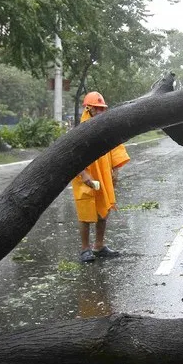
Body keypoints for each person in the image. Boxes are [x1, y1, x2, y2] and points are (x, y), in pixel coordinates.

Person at [72, 91, 130, 263]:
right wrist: (84, 174)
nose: (99, 112)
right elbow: (73, 157)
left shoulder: (107, 129)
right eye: (96, 108)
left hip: (103, 176)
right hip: (85, 177)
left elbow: (116, 151)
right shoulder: (80, 131)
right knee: (86, 213)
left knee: (104, 211)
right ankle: (85, 249)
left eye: (102, 109)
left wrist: (116, 172)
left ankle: (99, 245)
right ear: (88, 109)